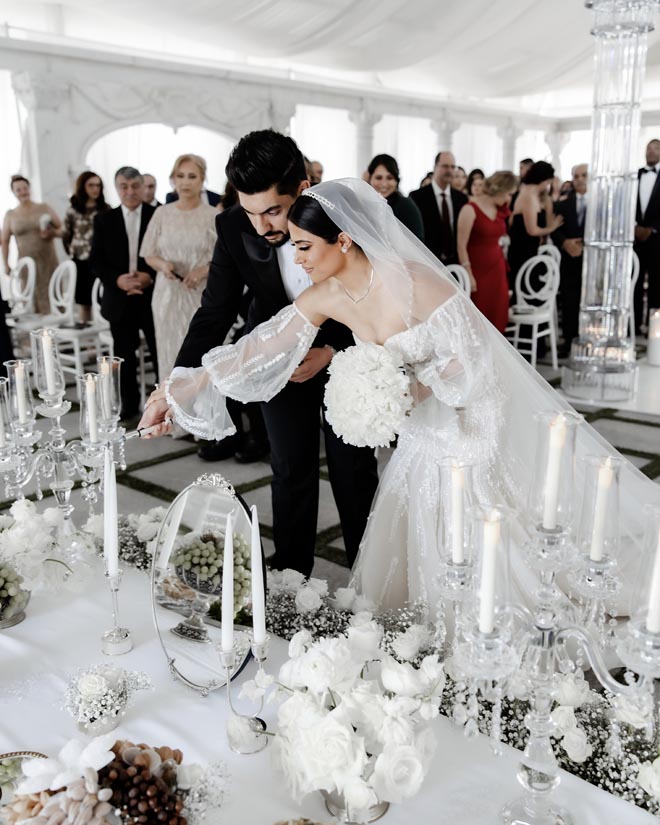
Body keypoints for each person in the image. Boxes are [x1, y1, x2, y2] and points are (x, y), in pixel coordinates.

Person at [147, 178, 658, 614]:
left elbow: (478, 365)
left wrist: (402, 387)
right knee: (413, 518)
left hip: (476, 418)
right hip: (420, 426)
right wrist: (178, 388)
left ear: (344, 240)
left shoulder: (413, 283)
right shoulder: (326, 295)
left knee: (480, 524)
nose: (298, 260)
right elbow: (259, 347)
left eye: (305, 246)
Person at [138, 130, 378, 576]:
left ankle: (367, 574)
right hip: (274, 363)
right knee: (289, 468)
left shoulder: (346, 216)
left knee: (352, 471)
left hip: (349, 358)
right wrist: (175, 386)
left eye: (274, 211)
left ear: (303, 190)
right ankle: (291, 575)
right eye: (251, 213)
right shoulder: (232, 225)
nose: (262, 226)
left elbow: (374, 297)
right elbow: (214, 313)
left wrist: (330, 350)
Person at [140, 154, 218, 389]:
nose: (185, 182)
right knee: (169, 353)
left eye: (192, 176)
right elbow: (148, 253)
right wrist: (163, 266)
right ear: (172, 179)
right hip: (167, 296)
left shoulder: (213, 216)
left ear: (202, 179)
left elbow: (225, 260)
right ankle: (171, 415)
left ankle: (203, 416)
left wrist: (204, 270)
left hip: (200, 295)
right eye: (180, 176)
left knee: (201, 354)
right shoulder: (162, 213)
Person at [90, 166, 158, 420]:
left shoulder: (157, 214)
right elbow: (95, 261)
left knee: (159, 353)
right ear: (117, 188)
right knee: (124, 356)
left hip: (151, 297)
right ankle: (129, 406)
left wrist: (148, 276)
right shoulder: (104, 219)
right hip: (119, 298)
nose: (130, 191)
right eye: (124, 186)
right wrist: (118, 280)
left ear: (143, 187)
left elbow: (166, 254)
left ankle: (160, 404)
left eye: (134, 186)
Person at [456, 171, 517, 333]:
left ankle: (496, 358)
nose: (509, 199)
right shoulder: (470, 209)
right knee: (478, 318)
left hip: (497, 268)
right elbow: (461, 245)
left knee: (498, 313)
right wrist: (468, 273)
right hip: (477, 269)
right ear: (499, 190)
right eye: (508, 194)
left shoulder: (500, 208)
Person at [2, 175, 61, 314]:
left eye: (25, 188)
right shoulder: (11, 214)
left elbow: (61, 229)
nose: (23, 192)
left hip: (48, 260)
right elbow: (4, 241)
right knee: (32, 301)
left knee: (52, 297)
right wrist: (6, 264)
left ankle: (54, 333)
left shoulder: (44, 207)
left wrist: (51, 232)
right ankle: (38, 334)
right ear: (14, 192)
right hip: (26, 263)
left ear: (29, 189)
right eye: (19, 190)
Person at [62, 171, 110, 323]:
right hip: (80, 261)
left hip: (102, 262)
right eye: (91, 185)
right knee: (84, 303)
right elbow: (66, 234)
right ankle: (88, 343)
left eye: (98, 185)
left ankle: (104, 335)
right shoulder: (73, 209)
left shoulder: (106, 209)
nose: (95, 189)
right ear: (83, 187)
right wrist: (74, 252)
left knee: (103, 300)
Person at [552, 164, 588, 356]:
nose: (580, 179)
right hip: (569, 259)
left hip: (591, 259)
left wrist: (585, 243)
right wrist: (565, 243)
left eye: (584, 175)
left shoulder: (601, 203)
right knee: (569, 299)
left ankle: (588, 338)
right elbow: (554, 228)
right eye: (576, 176)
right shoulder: (564, 204)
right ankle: (568, 339)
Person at [410, 152, 467, 264]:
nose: (449, 170)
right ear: (435, 167)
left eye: (452, 167)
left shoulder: (461, 199)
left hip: (455, 263)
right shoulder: (417, 197)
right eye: (445, 166)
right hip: (428, 262)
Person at [634, 138, 660, 334]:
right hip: (634, 237)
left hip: (657, 238)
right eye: (648, 148)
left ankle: (654, 328)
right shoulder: (635, 175)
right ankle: (633, 325)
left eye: (655, 149)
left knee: (656, 283)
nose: (650, 152)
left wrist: (651, 229)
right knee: (633, 281)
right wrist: (635, 227)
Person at [367, 154, 424, 240]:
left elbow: (418, 243)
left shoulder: (406, 206)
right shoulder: (362, 204)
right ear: (370, 179)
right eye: (379, 178)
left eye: (389, 178)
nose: (384, 184)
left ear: (397, 181)